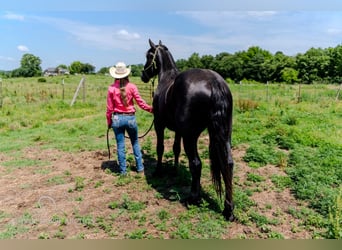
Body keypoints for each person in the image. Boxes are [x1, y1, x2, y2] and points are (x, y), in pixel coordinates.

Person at [106, 62, 153, 176]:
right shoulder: (132, 87)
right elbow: (141, 103)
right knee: (135, 142)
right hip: (130, 118)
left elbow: (109, 109)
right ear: (127, 74)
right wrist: (151, 109)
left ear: (115, 75)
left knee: (120, 146)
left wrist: (109, 122)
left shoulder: (111, 88)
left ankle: (123, 172)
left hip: (117, 119)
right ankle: (140, 168)